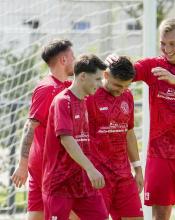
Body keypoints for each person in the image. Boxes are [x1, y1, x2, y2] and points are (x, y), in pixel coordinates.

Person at [106, 18, 175, 220]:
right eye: (163, 43)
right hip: (160, 153)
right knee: (161, 215)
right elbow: (124, 73)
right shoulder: (153, 66)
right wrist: (114, 60)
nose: (167, 49)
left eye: (172, 44)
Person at [11, 39, 74, 220]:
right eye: (73, 56)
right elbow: (30, 126)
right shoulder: (47, 88)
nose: (75, 60)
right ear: (63, 60)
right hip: (48, 168)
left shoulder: (67, 86)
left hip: (54, 167)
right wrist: (22, 165)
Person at [42, 54, 108, 220]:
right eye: (98, 79)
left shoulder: (83, 101)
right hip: (59, 185)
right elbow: (67, 140)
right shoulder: (63, 101)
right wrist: (91, 168)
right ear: (83, 76)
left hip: (83, 183)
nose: (101, 85)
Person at [86, 56, 143, 220]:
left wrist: (138, 169)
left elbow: (129, 132)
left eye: (126, 86)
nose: (121, 90)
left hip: (124, 175)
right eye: (118, 85)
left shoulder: (127, 96)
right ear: (106, 75)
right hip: (98, 176)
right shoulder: (89, 95)